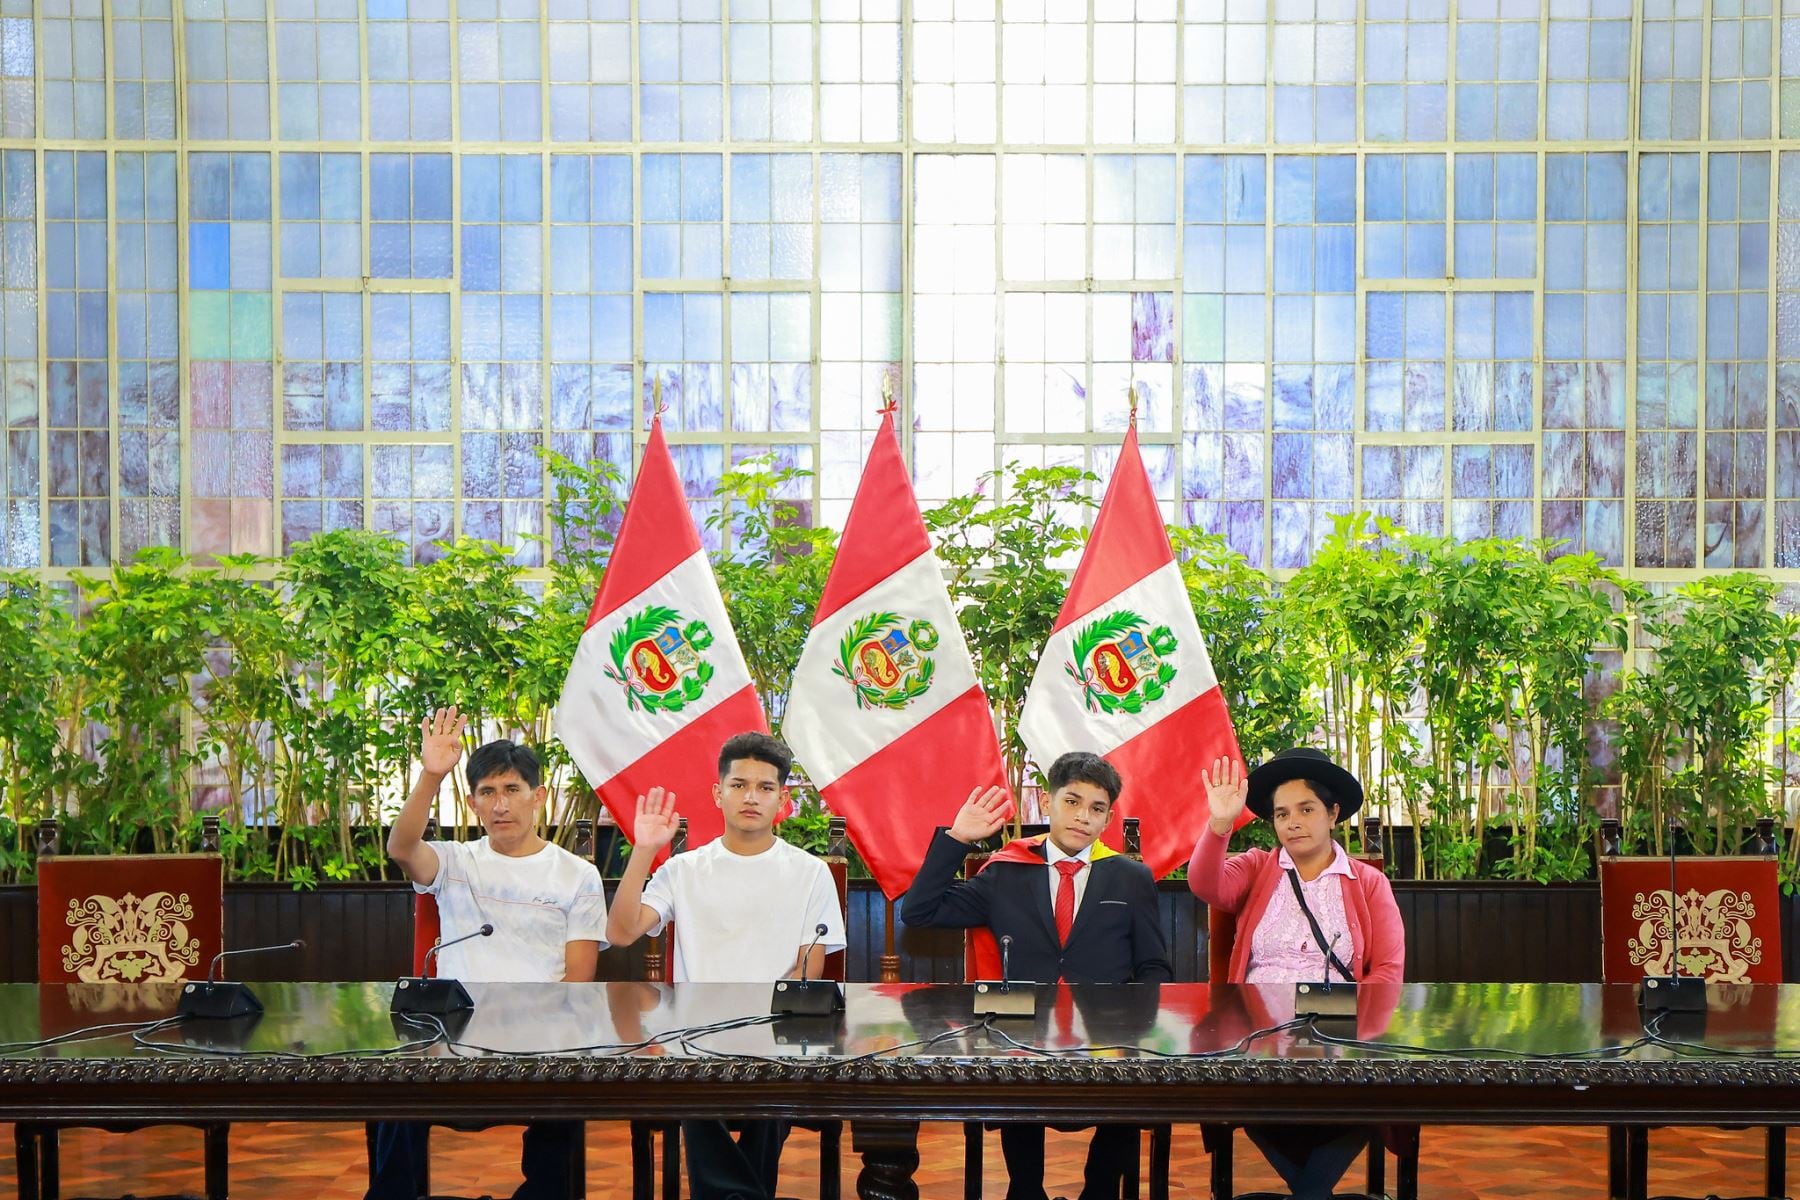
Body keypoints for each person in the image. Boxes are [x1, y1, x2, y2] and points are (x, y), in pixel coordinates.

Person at [903, 751, 1171, 1200]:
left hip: (1108, 1039)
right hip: (1022, 1036)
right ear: (1047, 803)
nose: (1083, 816)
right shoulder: (1006, 871)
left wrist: (1137, 1029)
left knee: (1129, 1090)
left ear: (1107, 819)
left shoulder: (1130, 876)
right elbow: (919, 911)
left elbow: (1153, 966)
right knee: (1016, 1084)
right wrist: (957, 839)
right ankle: (1025, 1190)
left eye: (1097, 808)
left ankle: (1099, 1190)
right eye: (1072, 801)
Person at [368, 706, 609, 1200]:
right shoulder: (455, 861)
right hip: (453, 1035)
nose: (501, 805)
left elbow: (580, 979)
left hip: (543, 1036)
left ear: (538, 797)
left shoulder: (576, 875)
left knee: (565, 1097)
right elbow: (400, 848)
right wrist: (432, 775)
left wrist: (534, 1031)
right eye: (487, 793)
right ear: (474, 804)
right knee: (393, 1084)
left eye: (512, 790)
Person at [606, 731, 846, 1200]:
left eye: (764, 787)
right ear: (718, 793)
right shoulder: (684, 869)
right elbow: (621, 933)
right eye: (739, 785)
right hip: (694, 1035)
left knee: (774, 1080)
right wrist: (642, 850)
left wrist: (760, 1028)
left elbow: (807, 969)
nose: (751, 797)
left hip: (775, 1033)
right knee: (693, 1079)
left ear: (782, 799)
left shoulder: (809, 871)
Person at [1187, 747, 1405, 1200]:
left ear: (1333, 813)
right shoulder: (1256, 866)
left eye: (1306, 809)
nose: (1293, 822)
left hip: (1339, 1035)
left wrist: (1352, 1027)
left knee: (1368, 1093)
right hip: (1257, 1034)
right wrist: (1220, 825)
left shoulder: (1367, 882)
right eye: (1282, 813)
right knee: (1245, 1092)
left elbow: (1387, 970)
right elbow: (1205, 885)